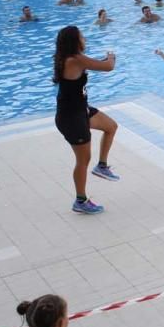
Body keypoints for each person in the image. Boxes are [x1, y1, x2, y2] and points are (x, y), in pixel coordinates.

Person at [53, 26, 119, 215]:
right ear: (75, 40)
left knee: (111, 127)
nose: (84, 38)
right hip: (71, 118)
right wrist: (111, 55)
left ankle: (102, 166)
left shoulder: (68, 57)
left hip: (80, 111)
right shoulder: (75, 59)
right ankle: (80, 200)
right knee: (83, 160)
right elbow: (108, 67)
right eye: (81, 36)